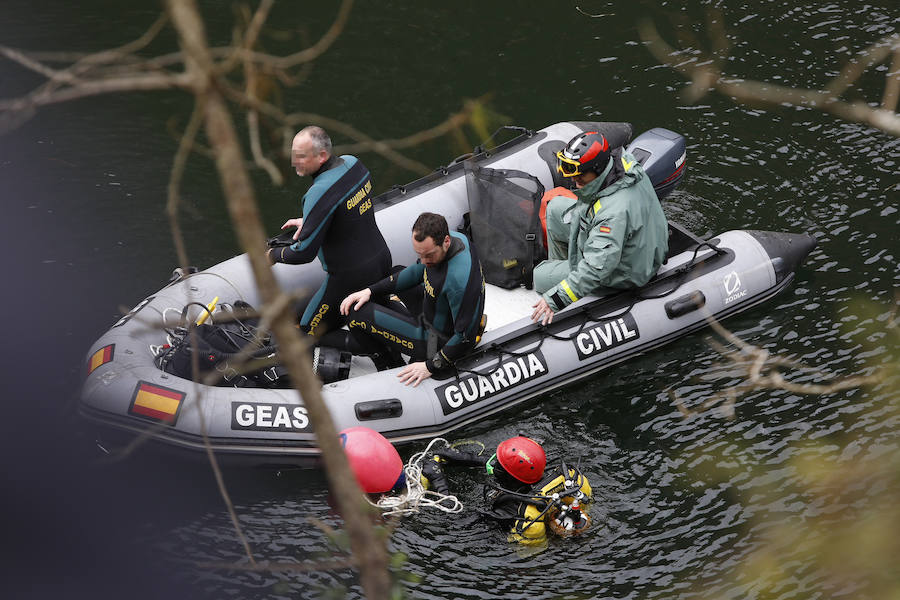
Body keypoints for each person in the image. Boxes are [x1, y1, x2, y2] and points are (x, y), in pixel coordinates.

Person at [531, 131, 669, 325]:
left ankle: (567, 278)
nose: (574, 180)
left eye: (580, 176)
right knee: (554, 209)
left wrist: (555, 298)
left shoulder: (613, 214)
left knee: (540, 275)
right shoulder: (623, 162)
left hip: (625, 271)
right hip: (634, 244)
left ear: (597, 169)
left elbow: (597, 268)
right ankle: (566, 270)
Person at [267, 126, 392, 337]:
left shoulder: (318, 192)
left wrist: (273, 255)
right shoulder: (353, 164)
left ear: (322, 156)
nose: (294, 162)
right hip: (381, 261)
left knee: (308, 333)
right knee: (372, 323)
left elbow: (303, 253)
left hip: (349, 279)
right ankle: (383, 357)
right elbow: (348, 211)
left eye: (301, 156)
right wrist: (313, 222)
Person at [339, 212, 486, 386]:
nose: (423, 261)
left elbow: (464, 338)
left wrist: (430, 366)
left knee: (355, 313)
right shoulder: (455, 238)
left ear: (445, 241)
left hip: (435, 341)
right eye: (419, 254)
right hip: (434, 311)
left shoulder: (458, 281)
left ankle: (389, 363)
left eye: (429, 255)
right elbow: (417, 271)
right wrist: (370, 291)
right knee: (395, 271)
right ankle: (391, 342)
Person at [421, 436, 592, 545]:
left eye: (498, 464)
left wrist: (438, 481)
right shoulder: (540, 475)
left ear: (505, 475)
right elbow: (513, 471)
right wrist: (468, 459)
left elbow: (452, 523)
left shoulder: (507, 509)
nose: (493, 463)